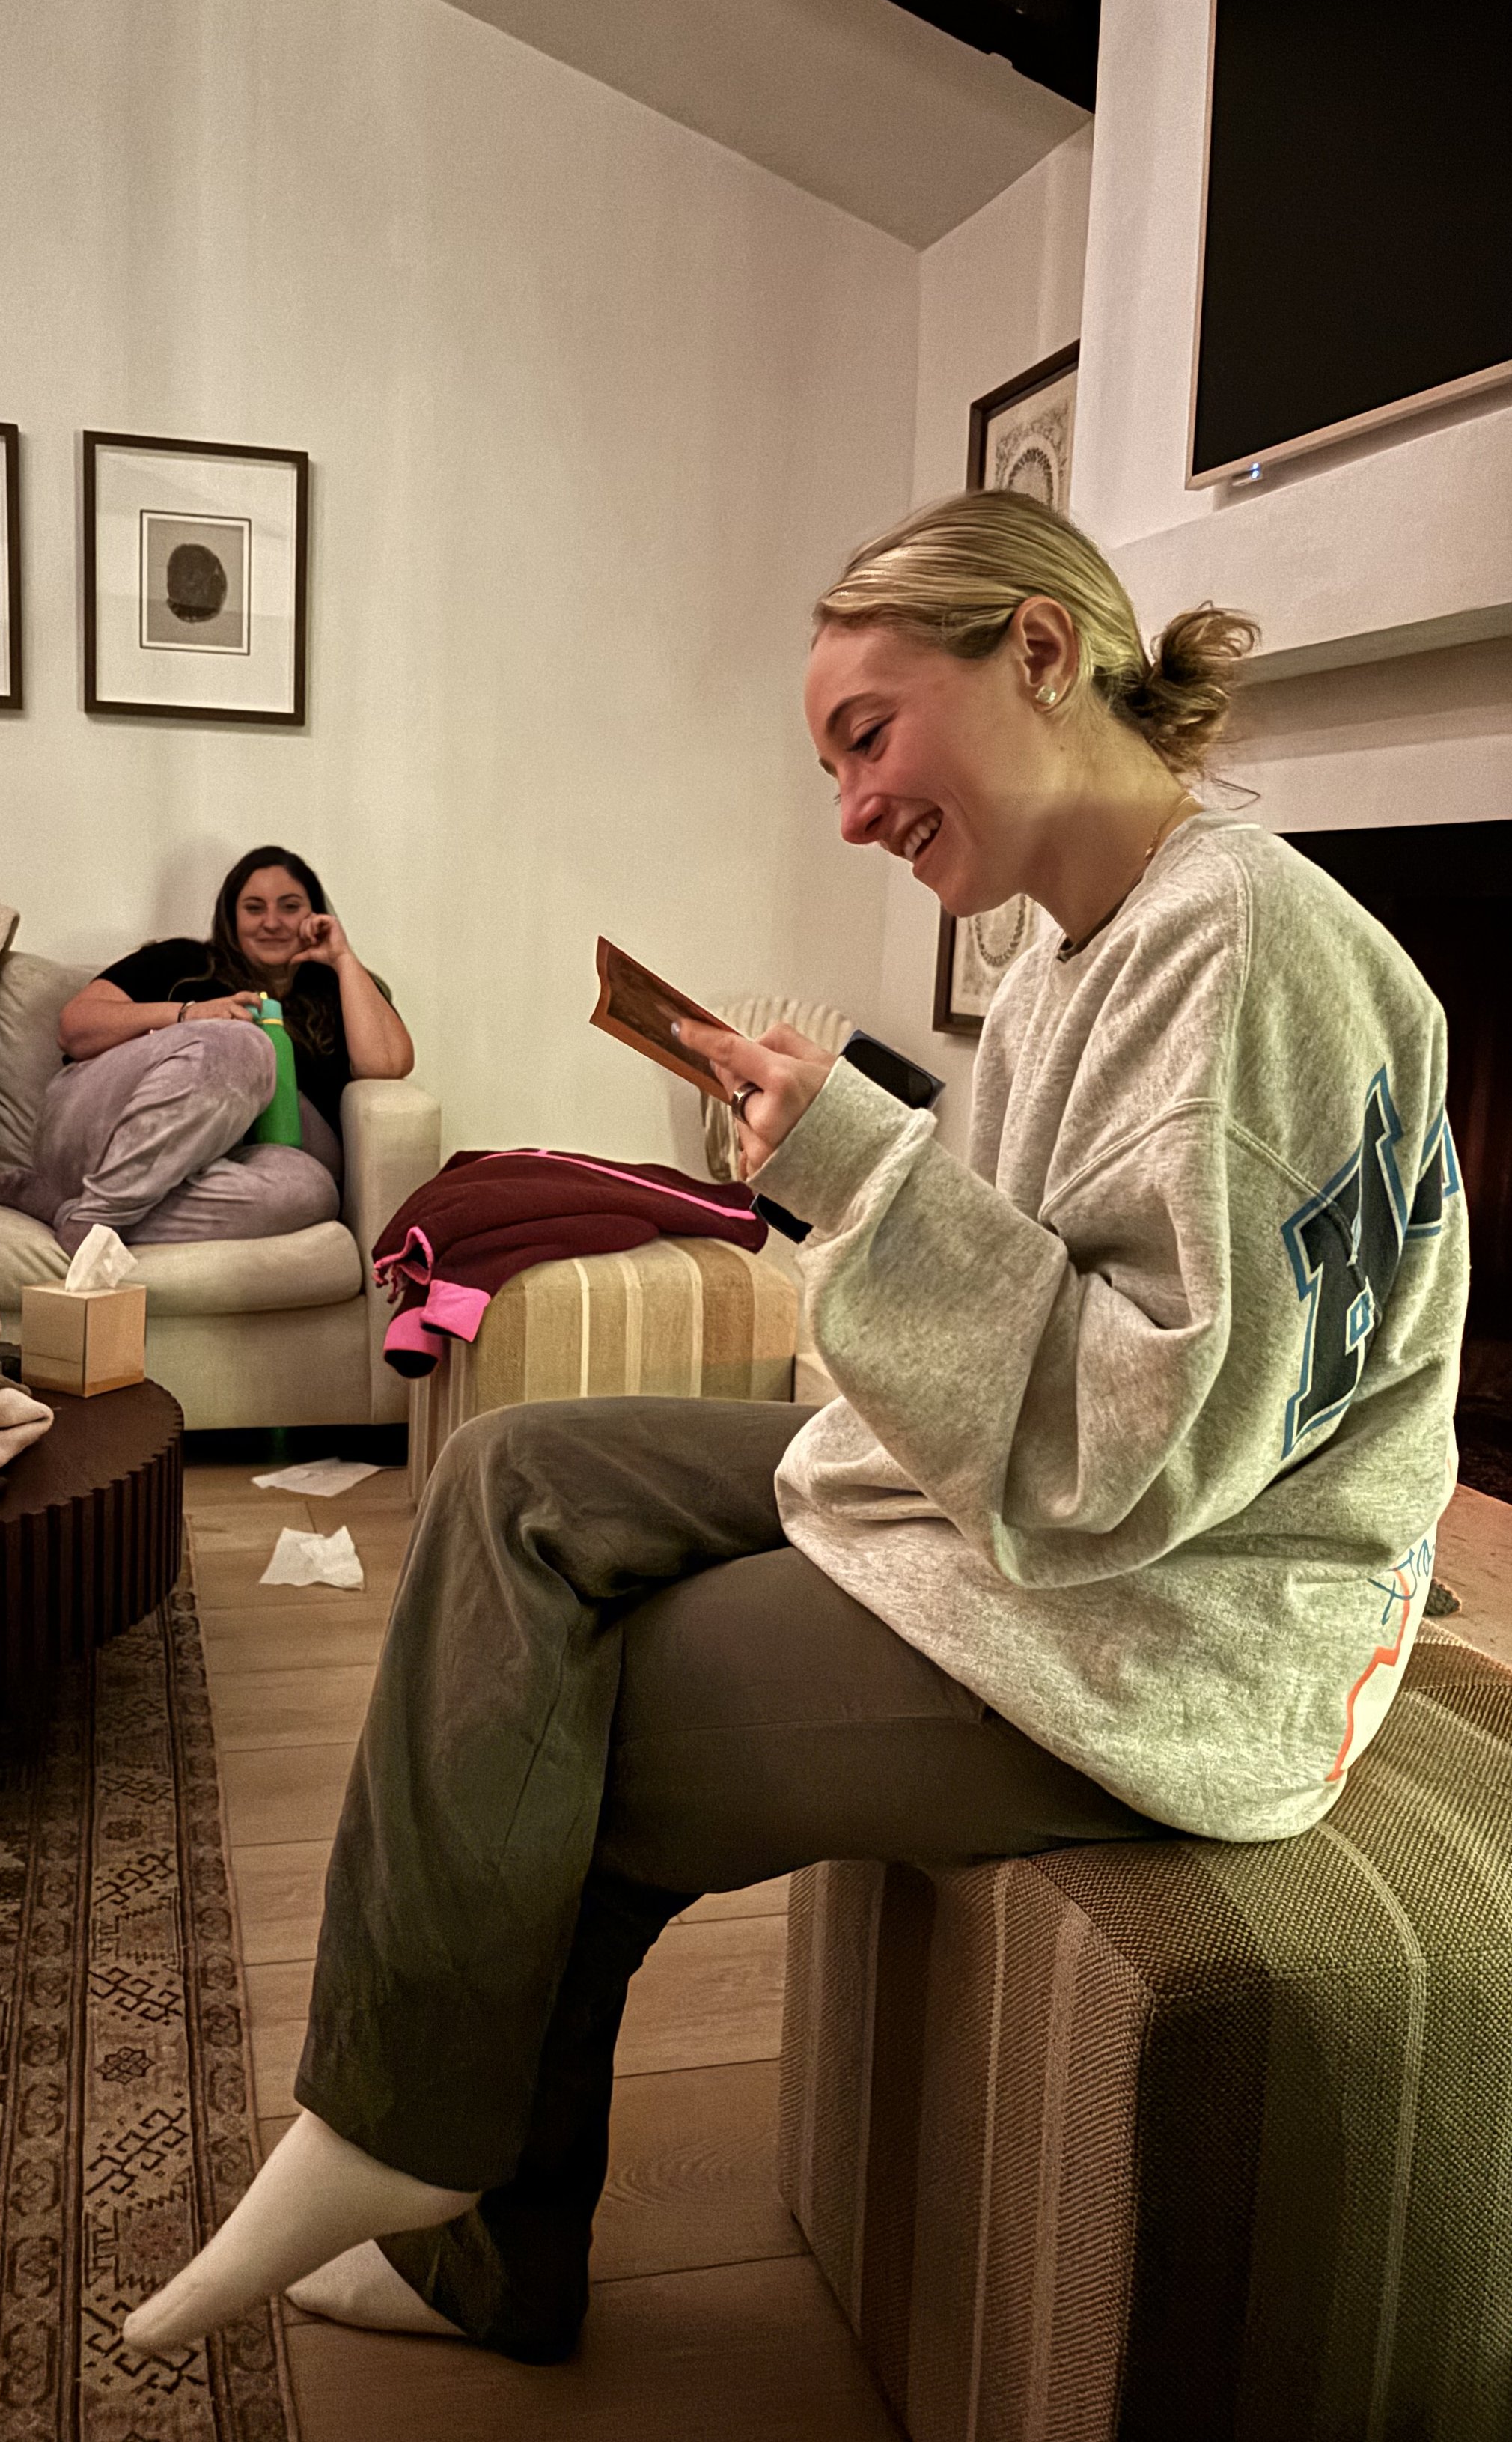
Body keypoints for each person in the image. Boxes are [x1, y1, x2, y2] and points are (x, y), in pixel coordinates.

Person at [124, 491, 1466, 2363]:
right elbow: (1009, 1307)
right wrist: (833, 1159)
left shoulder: (1233, 951)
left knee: (548, 1716)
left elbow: (1130, 1458)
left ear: (1042, 654)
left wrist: (857, 1162)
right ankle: (422, 2166)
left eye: (867, 734)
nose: (848, 807)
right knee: (524, 1471)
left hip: (1181, 1625)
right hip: (1039, 1509)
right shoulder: (1087, 945)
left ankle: (439, 2193)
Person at [0, 847, 412, 1252]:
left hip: (221, 1161)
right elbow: (75, 1028)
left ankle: (75, 1210)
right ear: (230, 916)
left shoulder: (336, 990)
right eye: (254, 907)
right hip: (101, 1129)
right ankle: (94, 1220)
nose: (272, 922)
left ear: (315, 915)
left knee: (312, 1192)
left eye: (290, 906)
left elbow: (387, 1065)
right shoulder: (182, 961)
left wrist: (342, 957)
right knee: (244, 1042)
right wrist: (190, 1016)